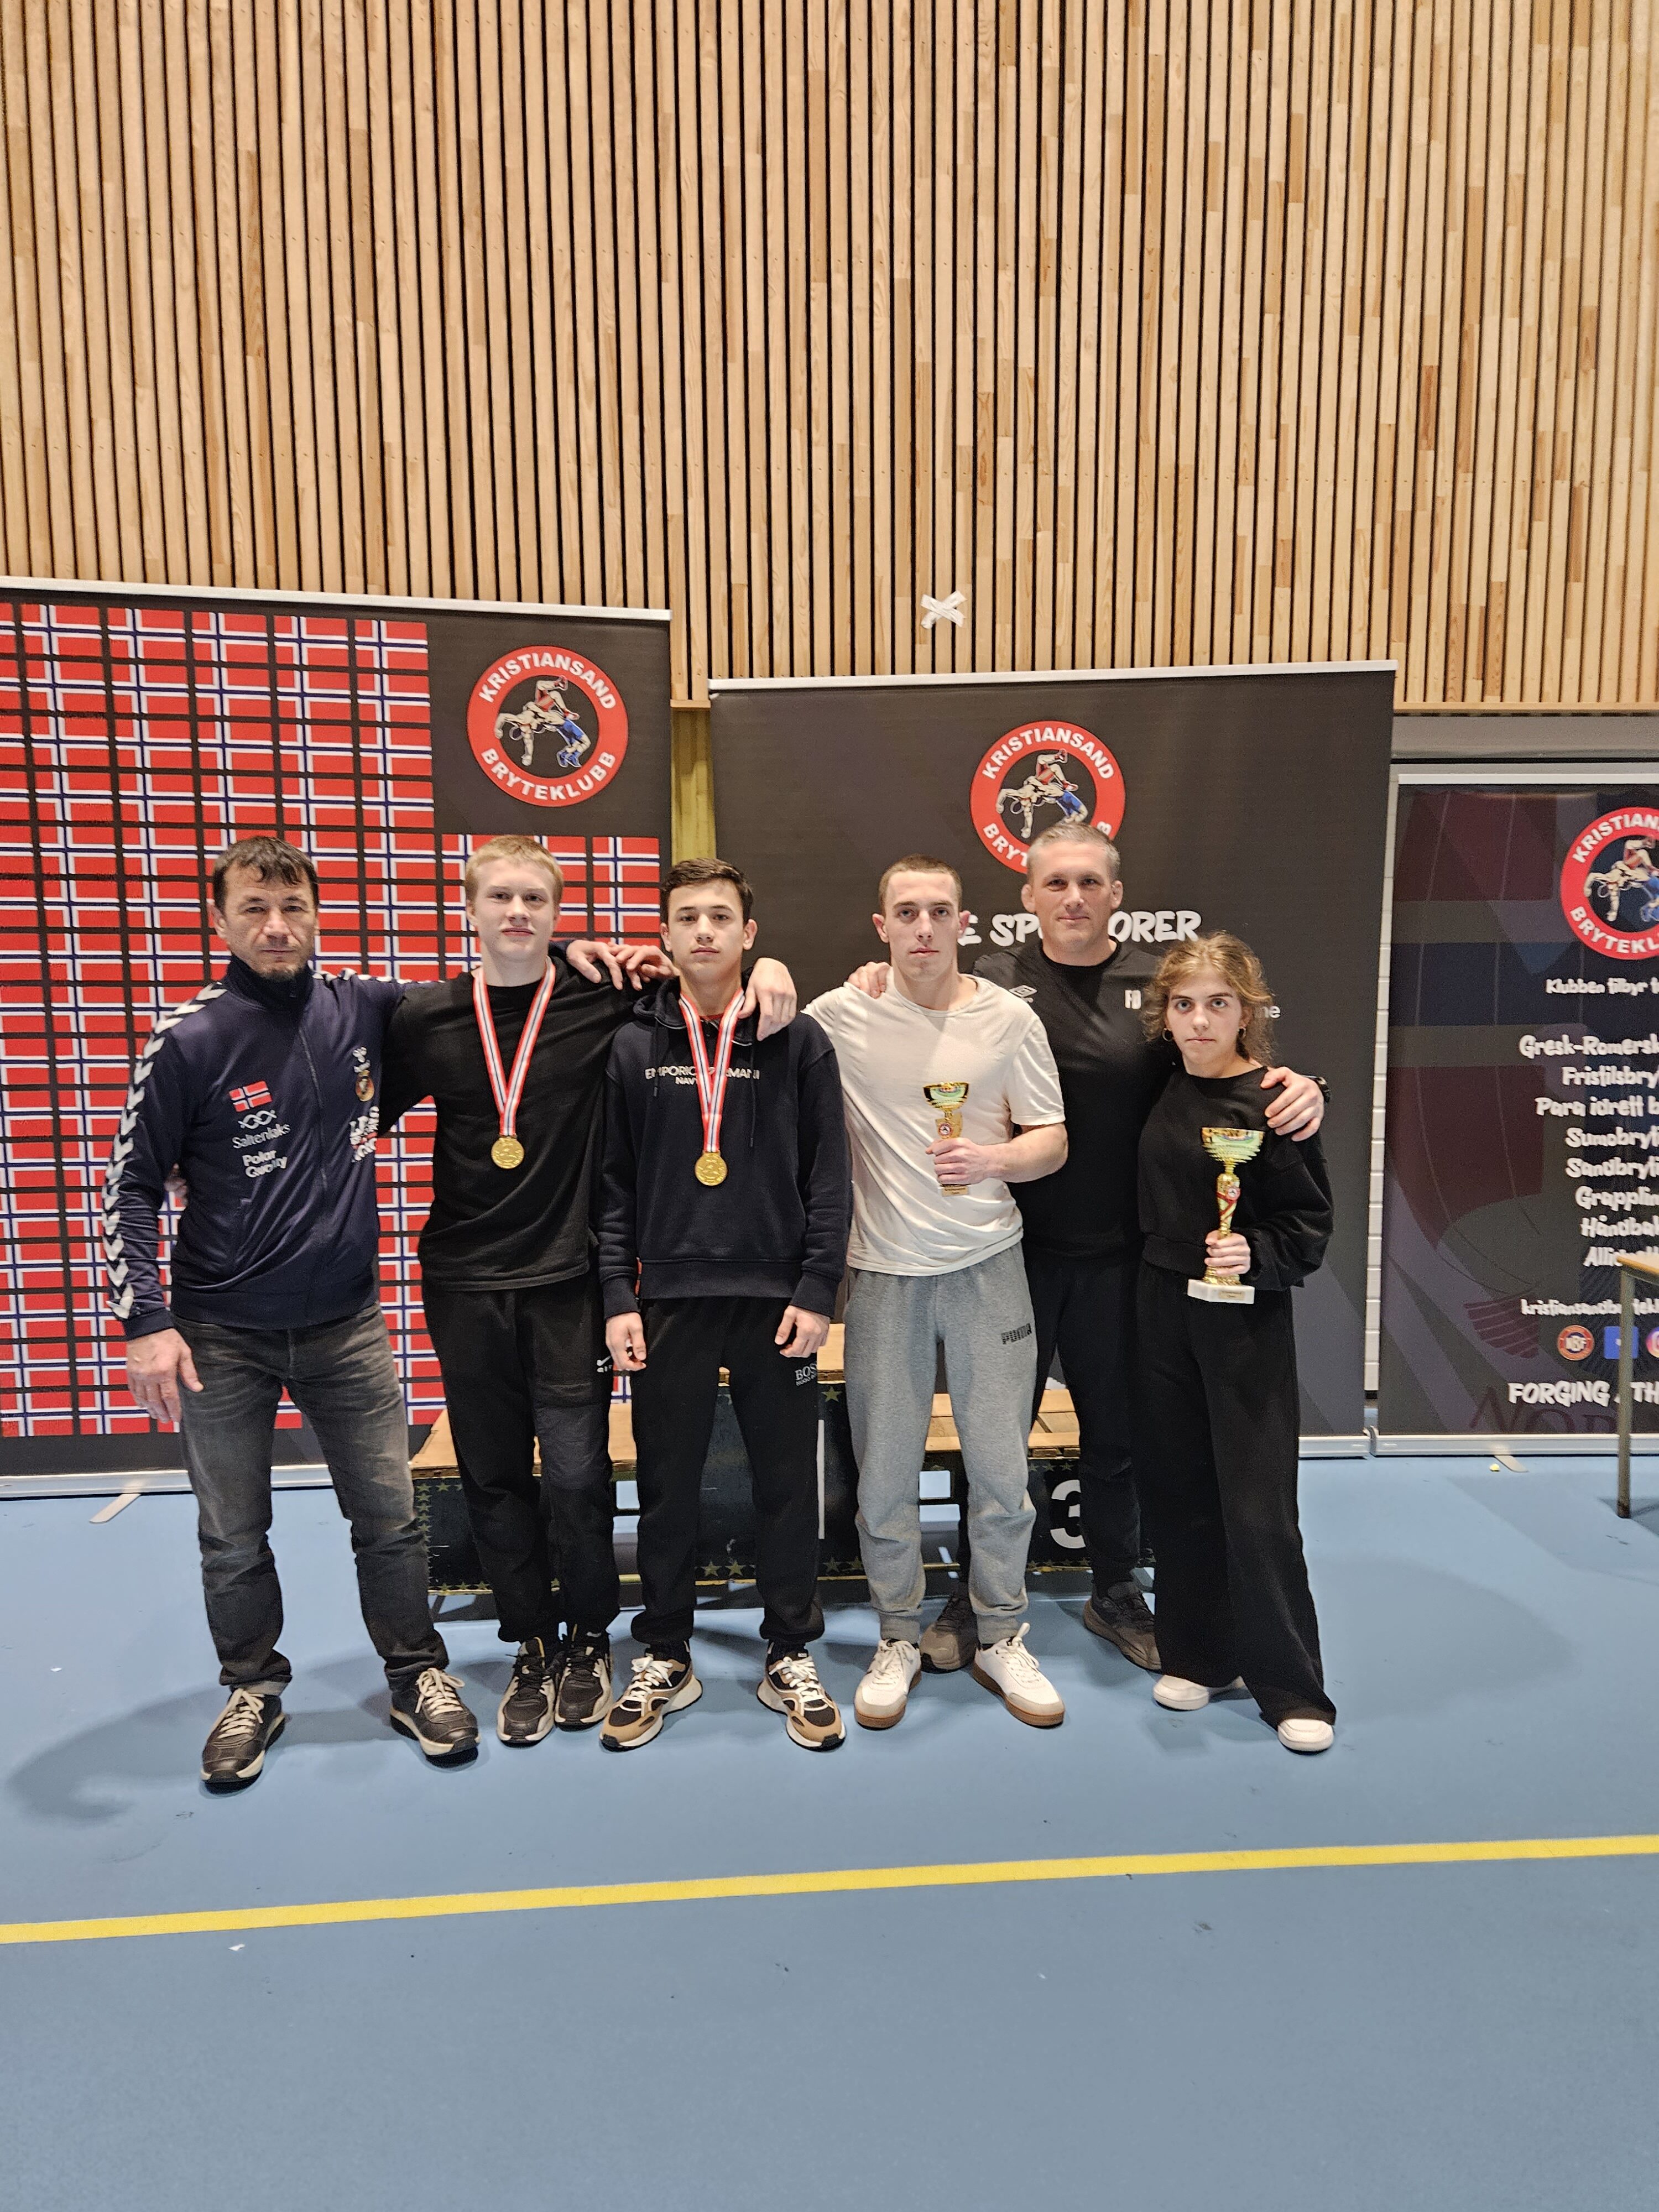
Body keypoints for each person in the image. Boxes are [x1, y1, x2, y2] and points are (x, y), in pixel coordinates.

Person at [850, 822, 1324, 1677]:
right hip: (1013, 1253)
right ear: (1027, 896)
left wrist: (1294, 1086)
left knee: (1117, 1436)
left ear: (1117, 894)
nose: (1074, 898)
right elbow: (913, 992)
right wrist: (875, 977)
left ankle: (1115, 1589)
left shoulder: (1156, 990)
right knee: (994, 1442)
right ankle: (975, 1598)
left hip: (1126, 1257)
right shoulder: (989, 980)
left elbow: (1220, 1062)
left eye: (1090, 883)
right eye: (1056, 883)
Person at [378, 836, 799, 1749]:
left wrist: (772, 967)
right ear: (469, 909)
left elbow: (707, 978)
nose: (517, 912)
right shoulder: (425, 1017)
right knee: (493, 1476)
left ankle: (590, 1638)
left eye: (535, 899)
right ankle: (531, 1642)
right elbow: (356, 1113)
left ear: (559, 912)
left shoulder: (603, 998)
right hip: (462, 1282)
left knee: (576, 1476)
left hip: (568, 1279)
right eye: (500, 897)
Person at [105, 836, 481, 1788]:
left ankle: (416, 1673)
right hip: (219, 1335)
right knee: (233, 1534)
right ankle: (252, 1689)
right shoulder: (189, 1040)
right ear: (220, 921)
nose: (276, 926)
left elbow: (485, 990)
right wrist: (146, 1322)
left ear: (316, 913)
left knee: (390, 1520)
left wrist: (582, 952)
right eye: (254, 909)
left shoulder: (365, 1008)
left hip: (347, 1325)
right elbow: (132, 1186)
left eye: (293, 907)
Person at [807, 855, 1070, 1730]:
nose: (924, 927)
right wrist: (767, 968)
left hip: (990, 1264)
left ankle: (1000, 1632)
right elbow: (753, 1024)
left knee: (1002, 1472)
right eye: (907, 912)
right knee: (885, 1476)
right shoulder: (839, 1015)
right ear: (880, 927)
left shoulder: (1009, 1019)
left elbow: (1052, 1139)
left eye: (940, 911)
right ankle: (896, 1635)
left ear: (964, 922)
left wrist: (993, 1158)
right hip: (884, 1273)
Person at [598, 859, 852, 1752]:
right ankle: (666, 1650)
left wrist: (818, 1288)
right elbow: (612, 1186)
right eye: (686, 917)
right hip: (666, 1302)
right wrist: (616, 1295)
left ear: (749, 934)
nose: (703, 931)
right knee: (667, 1487)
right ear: (665, 935)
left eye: (719, 916)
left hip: (778, 1304)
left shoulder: (799, 1038)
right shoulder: (633, 1044)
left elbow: (830, 1175)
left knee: (787, 1486)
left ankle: (790, 1649)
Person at [1136, 932, 1336, 1753]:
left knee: (1257, 1507)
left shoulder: (1277, 1103)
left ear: (1247, 1012)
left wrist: (1255, 1252)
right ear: (1165, 1015)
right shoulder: (1158, 1081)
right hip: (1160, 1305)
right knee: (1179, 1492)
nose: (1199, 1020)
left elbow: (1308, 1226)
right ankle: (1200, 1655)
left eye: (1218, 1003)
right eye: (1184, 1004)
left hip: (1244, 1316)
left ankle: (1291, 1686)